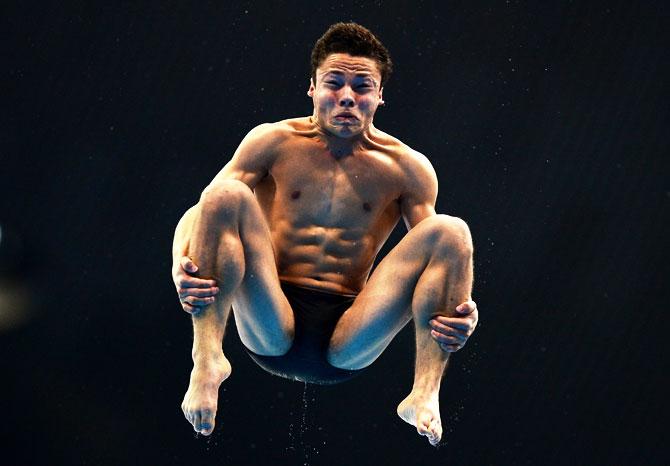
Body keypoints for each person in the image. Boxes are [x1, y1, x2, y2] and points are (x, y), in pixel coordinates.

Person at [172, 22, 479, 446]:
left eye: (362, 86)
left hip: (351, 335)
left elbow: (441, 264)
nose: (348, 97)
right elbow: (202, 211)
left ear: (379, 96)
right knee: (225, 193)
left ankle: (424, 392)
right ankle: (206, 359)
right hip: (269, 313)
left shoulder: (408, 169)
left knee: (452, 232)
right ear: (312, 88)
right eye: (334, 83)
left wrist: (461, 309)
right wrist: (179, 265)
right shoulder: (272, 141)